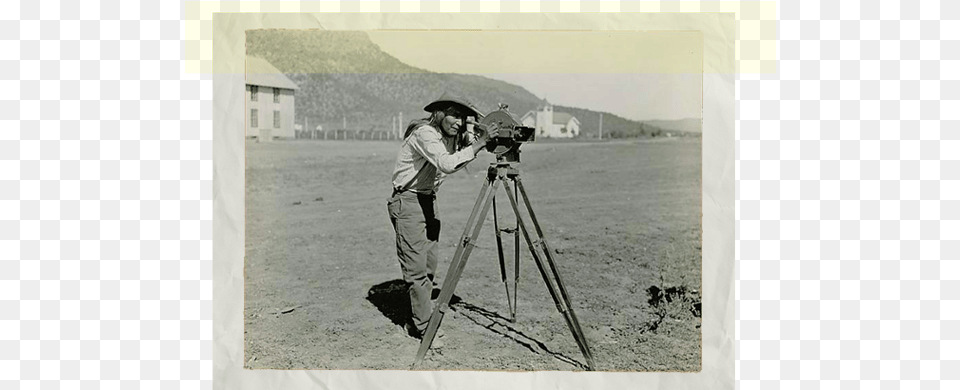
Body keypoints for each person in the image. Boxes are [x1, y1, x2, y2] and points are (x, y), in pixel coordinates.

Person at [387, 92, 498, 340]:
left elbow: (465, 152)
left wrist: (484, 139)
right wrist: (479, 143)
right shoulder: (425, 133)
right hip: (408, 200)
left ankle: (421, 314)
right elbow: (447, 164)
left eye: (463, 118)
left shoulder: (451, 136)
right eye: (454, 116)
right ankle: (422, 327)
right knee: (416, 270)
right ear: (439, 113)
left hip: (427, 200)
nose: (458, 122)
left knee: (429, 266)